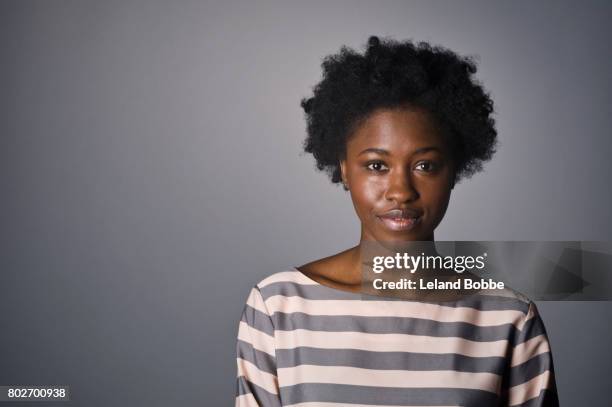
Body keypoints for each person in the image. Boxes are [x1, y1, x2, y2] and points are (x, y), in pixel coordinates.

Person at [235, 36, 559, 406]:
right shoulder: (279, 307)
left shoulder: (508, 319)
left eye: (425, 166)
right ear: (344, 169)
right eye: (376, 165)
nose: (401, 191)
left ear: (453, 171)